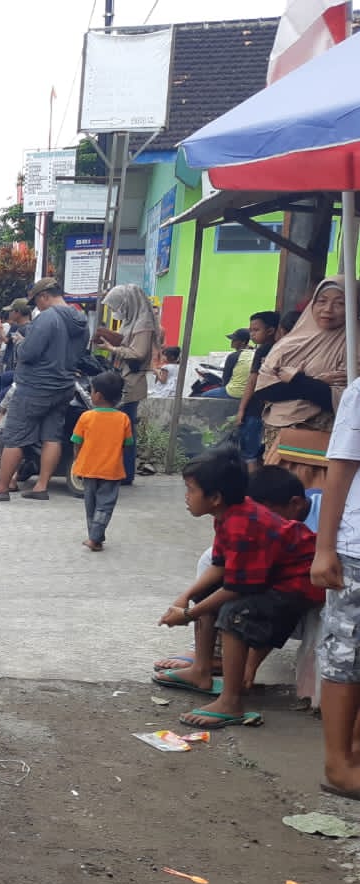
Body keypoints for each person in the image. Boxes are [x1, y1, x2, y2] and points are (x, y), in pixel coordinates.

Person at [155, 452, 322, 730]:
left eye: (191, 490)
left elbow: (238, 587)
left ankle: (231, 702)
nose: (186, 496)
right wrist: (187, 597)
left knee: (235, 614)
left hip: (298, 583)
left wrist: (188, 614)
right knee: (206, 594)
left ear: (215, 497)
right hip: (270, 576)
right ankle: (201, 671)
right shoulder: (226, 515)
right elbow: (220, 566)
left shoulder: (243, 523)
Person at [0, 277, 87, 501]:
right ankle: (41, 487)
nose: (36, 306)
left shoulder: (47, 319)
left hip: (35, 387)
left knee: (14, 436)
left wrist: (19, 342)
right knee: (52, 436)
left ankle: (1, 489)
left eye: (37, 301)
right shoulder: (81, 320)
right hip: (64, 386)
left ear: (45, 296)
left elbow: (29, 353)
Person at [315, 378, 360, 797]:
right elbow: (340, 469)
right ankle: (338, 762)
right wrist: (324, 547)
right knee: (345, 656)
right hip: (356, 549)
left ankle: (356, 754)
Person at [257, 278, 350, 464]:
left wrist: (297, 379)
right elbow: (265, 390)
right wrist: (316, 383)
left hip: (325, 440)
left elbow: (346, 400)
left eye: (339, 303)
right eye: (322, 301)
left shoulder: (352, 344)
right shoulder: (290, 341)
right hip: (279, 433)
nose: (328, 309)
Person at [94, 283, 155, 484]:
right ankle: (121, 471)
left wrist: (111, 348)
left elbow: (139, 353)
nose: (115, 311)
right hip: (124, 377)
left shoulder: (143, 324)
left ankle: (126, 474)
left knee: (125, 430)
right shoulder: (132, 320)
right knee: (122, 428)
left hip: (133, 381)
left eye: (118, 306)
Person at [71, 371, 134, 551]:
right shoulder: (123, 419)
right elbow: (127, 444)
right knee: (105, 505)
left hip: (88, 468)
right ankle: (96, 538)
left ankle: (94, 537)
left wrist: (78, 459)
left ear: (97, 395)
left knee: (90, 505)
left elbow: (76, 442)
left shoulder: (86, 417)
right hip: (112, 471)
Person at [237, 310, 282, 469]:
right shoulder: (282, 348)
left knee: (250, 455)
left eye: (256, 330)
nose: (252, 334)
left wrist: (241, 409)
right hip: (273, 412)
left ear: (270, 331)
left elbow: (252, 381)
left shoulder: (263, 350)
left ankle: (252, 491)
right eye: (250, 330)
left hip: (256, 409)